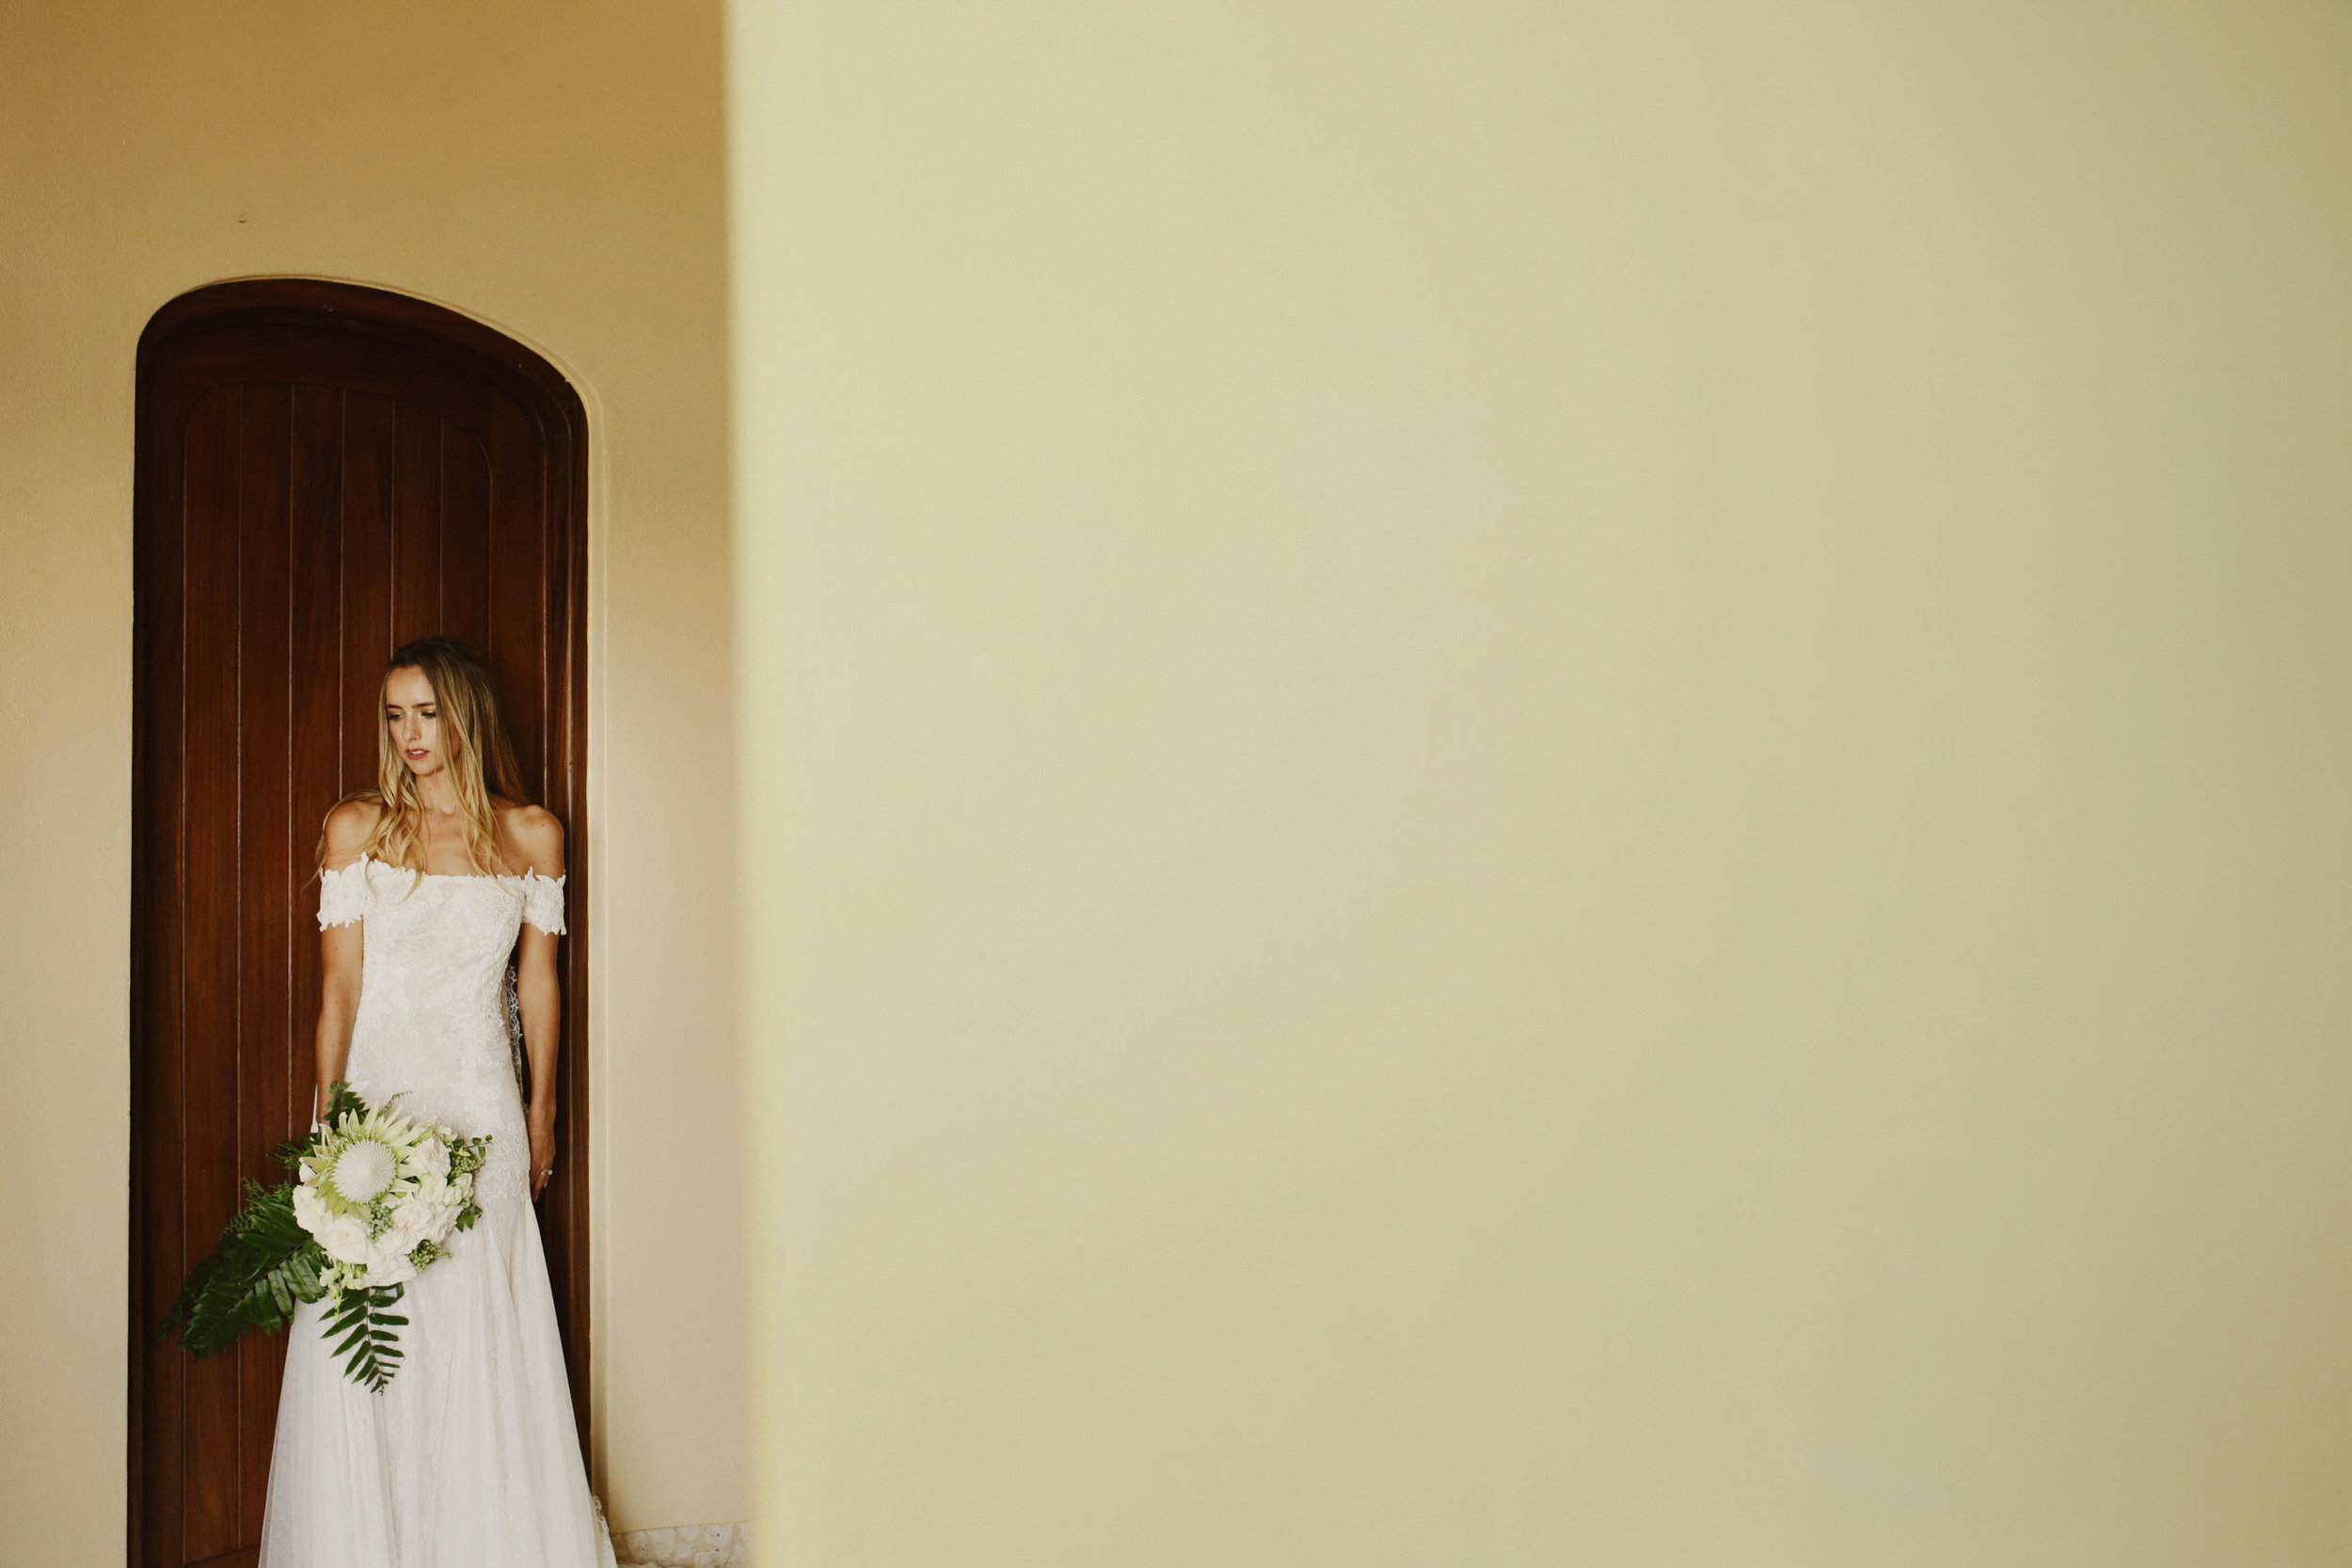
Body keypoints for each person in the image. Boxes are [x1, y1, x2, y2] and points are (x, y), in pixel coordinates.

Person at [260, 635, 613, 1568]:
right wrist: (327, 1118)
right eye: (394, 714)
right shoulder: (357, 829)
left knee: (476, 1320)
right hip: (379, 1103)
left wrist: (540, 1117)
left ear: (466, 714)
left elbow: (539, 985)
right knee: (373, 1323)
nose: (411, 734)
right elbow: (339, 987)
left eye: (427, 711)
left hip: (481, 1106)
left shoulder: (532, 833)